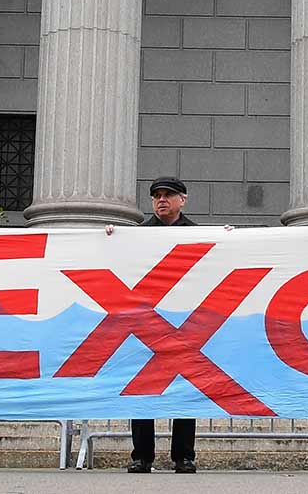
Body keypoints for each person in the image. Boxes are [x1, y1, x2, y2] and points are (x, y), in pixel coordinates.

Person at [108, 177, 203, 473]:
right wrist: (108, 239)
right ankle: (142, 456)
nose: (162, 200)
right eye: (157, 196)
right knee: (143, 389)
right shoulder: (138, 235)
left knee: (185, 391)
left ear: (182, 200)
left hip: (185, 322)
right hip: (147, 322)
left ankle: (184, 456)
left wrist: (228, 238)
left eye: (168, 195)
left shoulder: (198, 235)